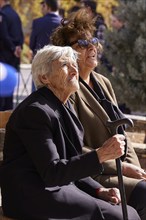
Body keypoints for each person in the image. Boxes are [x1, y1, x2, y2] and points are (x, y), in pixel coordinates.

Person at [0, 45, 140, 220]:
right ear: (45, 77)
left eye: (74, 63)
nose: (75, 69)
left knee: (127, 211)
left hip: (58, 186)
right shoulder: (36, 111)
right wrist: (100, 154)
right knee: (119, 216)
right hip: (33, 194)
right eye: (66, 65)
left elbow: (70, 162)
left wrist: (98, 190)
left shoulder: (64, 105)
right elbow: (53, 171)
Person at [51, 8, 146, 220]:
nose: (91, 46)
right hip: (93, 174)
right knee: (143, 194)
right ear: (66, 53)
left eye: (92, 40)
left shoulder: (103, 82)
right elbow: (72, 146)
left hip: (120, 170)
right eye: (82, 44)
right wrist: (122, 167)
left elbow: (122, 133)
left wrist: (135, 168)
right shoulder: (67, 89)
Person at [29, 0, 62, 92]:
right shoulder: (63, 23)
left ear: (47, 6)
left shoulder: (38, 22)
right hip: (59, 64)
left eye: (43, 6)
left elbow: (32, 44)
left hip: (40, 63)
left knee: (37, 94)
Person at [0, 0, 24, 111]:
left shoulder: (2, 14)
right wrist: (18, 48)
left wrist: (13, 48)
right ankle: (7, 115)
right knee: (10, 88)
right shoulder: (15, 14)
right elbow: (20, 34)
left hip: (4, 55)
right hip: (14, 56)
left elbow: (3, 34)